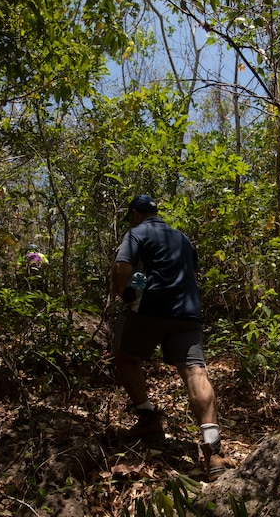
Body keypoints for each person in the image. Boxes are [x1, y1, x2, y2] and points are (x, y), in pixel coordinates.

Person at [110, 195, 235, 481]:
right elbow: (189, 273)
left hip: (151, 309)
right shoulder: (183, 238)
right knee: (194, 371)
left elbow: (121, 269)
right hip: (188, 312)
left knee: (126, 356)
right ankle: (213, 452)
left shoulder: (137, 232)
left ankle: (147, 418)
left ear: (133, 214)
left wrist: (126, 295)